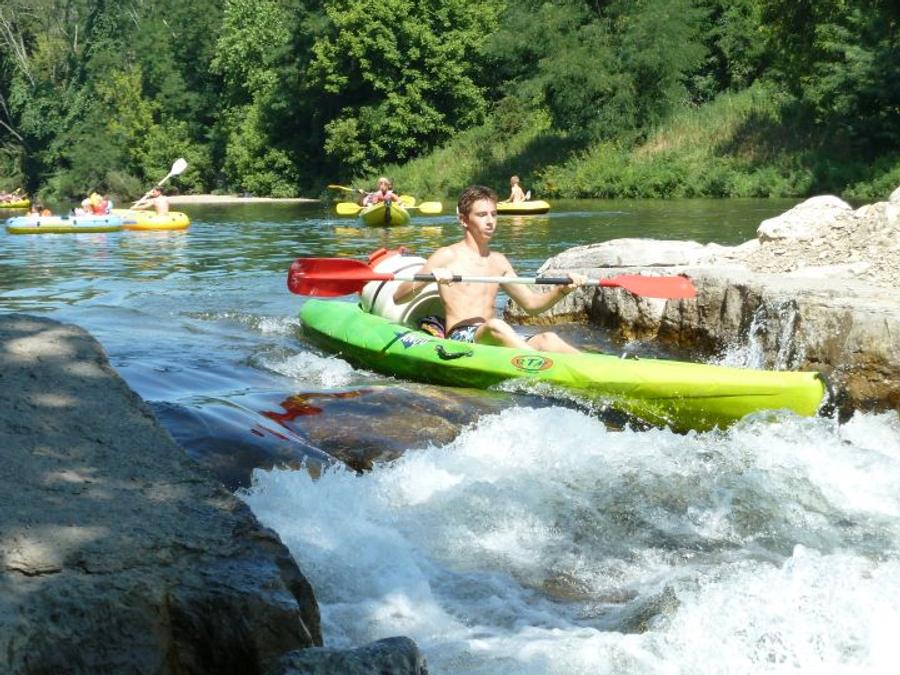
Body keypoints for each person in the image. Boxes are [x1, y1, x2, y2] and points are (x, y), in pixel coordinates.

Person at [393, 185, 585, 353]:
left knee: (548, 339)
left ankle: (597, 370)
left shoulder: (499, 261)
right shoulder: (446, 256)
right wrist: (430, 277)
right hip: (461, 337)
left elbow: (531, 305)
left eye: (493, 214)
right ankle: (538, 363)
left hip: (494, 336)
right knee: (495, 326)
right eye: (482, 215)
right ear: (463, 220)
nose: (490, 221)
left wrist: (562, 290)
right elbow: (398, 297)